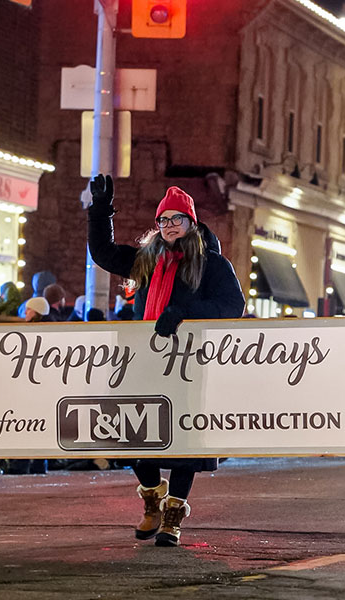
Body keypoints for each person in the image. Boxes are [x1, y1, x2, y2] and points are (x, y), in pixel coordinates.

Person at [87, 174, 245, 546]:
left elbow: (232, 305)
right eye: (164, 220)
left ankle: (173, 516)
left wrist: (185, 312)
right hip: (143, 362)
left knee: (183, 442)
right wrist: (100, 210)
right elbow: (104, 253)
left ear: (191, 223)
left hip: (186, 365)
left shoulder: (212, 265)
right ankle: (152, 497)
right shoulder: (145, 260)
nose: (170, 226)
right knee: (135, 436)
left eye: (177, 219)